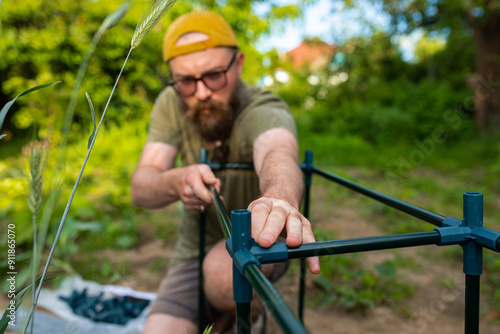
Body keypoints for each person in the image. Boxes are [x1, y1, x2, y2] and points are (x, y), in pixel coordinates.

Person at [131, 10, 320, 334]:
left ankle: (247, 315)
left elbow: (277, 150)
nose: (201, 92)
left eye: (214, 75)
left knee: (223, 273)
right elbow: (142, 186)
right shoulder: (171, 102)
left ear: (239, 64)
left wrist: (278, 198)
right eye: (186, 81)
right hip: (193, 252)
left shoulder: (262, 106)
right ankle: (230, 315)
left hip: (258, 243)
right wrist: (174, 180)